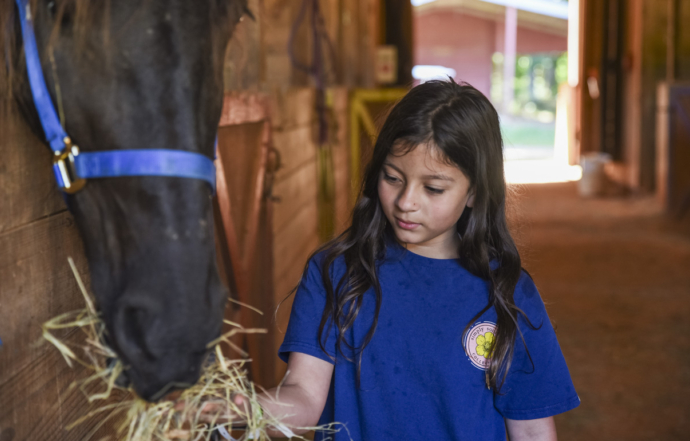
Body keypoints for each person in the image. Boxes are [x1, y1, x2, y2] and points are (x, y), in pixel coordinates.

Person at [201, 79, 580, 440]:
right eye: (392, 177)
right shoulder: (336, 273)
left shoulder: (507, 294)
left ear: (474, 193)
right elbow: (303, 396)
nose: (406, 202)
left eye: (433, 188)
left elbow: (530, 429)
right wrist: (240, 409)